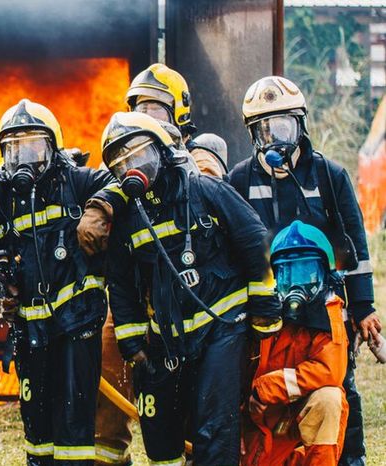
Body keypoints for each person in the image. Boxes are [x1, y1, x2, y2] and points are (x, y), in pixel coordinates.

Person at [76, 112, 282, 465]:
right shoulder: (129, 218)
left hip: (222, 327)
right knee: (161, 432)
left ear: (163, 152)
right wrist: (131, 339)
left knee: (213, 427)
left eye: (140, 156)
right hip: (168, 338)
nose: (133, 169)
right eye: (121, 165)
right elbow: (122, 282)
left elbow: (254, 240)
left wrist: (264, 309)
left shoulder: (205, 190)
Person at [229, 75, 379, 466]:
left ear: (301, 126)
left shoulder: (328, 176)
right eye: (264, 129)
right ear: (252, 134)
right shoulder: (239, 180)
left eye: (284, 125)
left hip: (323, 305)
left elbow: (355, 246)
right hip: (263, 307)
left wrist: (362, 307)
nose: (275, 137)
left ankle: (351, 458)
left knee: (340, 382)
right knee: (251, 386)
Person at [0, 99, 114, 465]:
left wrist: (101, 208)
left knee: (75, 422)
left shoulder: (78, 182)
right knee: (35, 423)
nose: (23, 159)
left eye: (33, 146)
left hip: (78, 325)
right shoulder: (6, 198)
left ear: (53, 147)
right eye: (13, 150)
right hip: (30, 329)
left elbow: (120, 181)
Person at [243, 220, 349, 466]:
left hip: (291, 429)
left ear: (325, 275)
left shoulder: (328, 314)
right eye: (287, 273)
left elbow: (330, 371)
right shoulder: (259, 314)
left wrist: (267, 388)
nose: (296, 286)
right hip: (252, 427)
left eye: (307, 273)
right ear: (274, 277)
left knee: (329, 399)